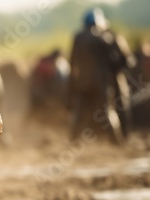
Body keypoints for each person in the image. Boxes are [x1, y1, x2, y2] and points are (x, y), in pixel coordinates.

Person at [68, 8, 136, 144]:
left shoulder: (79, 37)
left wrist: (73, 84)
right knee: (108, 112)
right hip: (103, 83)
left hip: (83, 83)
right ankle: (117, 143)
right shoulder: (109, 37)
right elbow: (128, 62)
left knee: (80, 113)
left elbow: (72, 62)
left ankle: (73, 143)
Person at [29, 49, 70, 124]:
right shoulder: (50, 65)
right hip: (40, 93)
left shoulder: (43, 61)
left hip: (35, 91)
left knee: (34, 110)